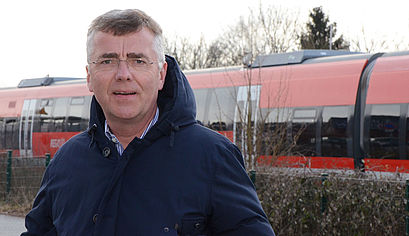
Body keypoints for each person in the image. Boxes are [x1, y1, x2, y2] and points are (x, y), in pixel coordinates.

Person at [22, 9, 275, 235]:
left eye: (138, 61)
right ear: (89, 77)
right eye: (107, 61)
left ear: (161, 74)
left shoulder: (214, 157)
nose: (123, 75)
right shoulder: (66, 161)